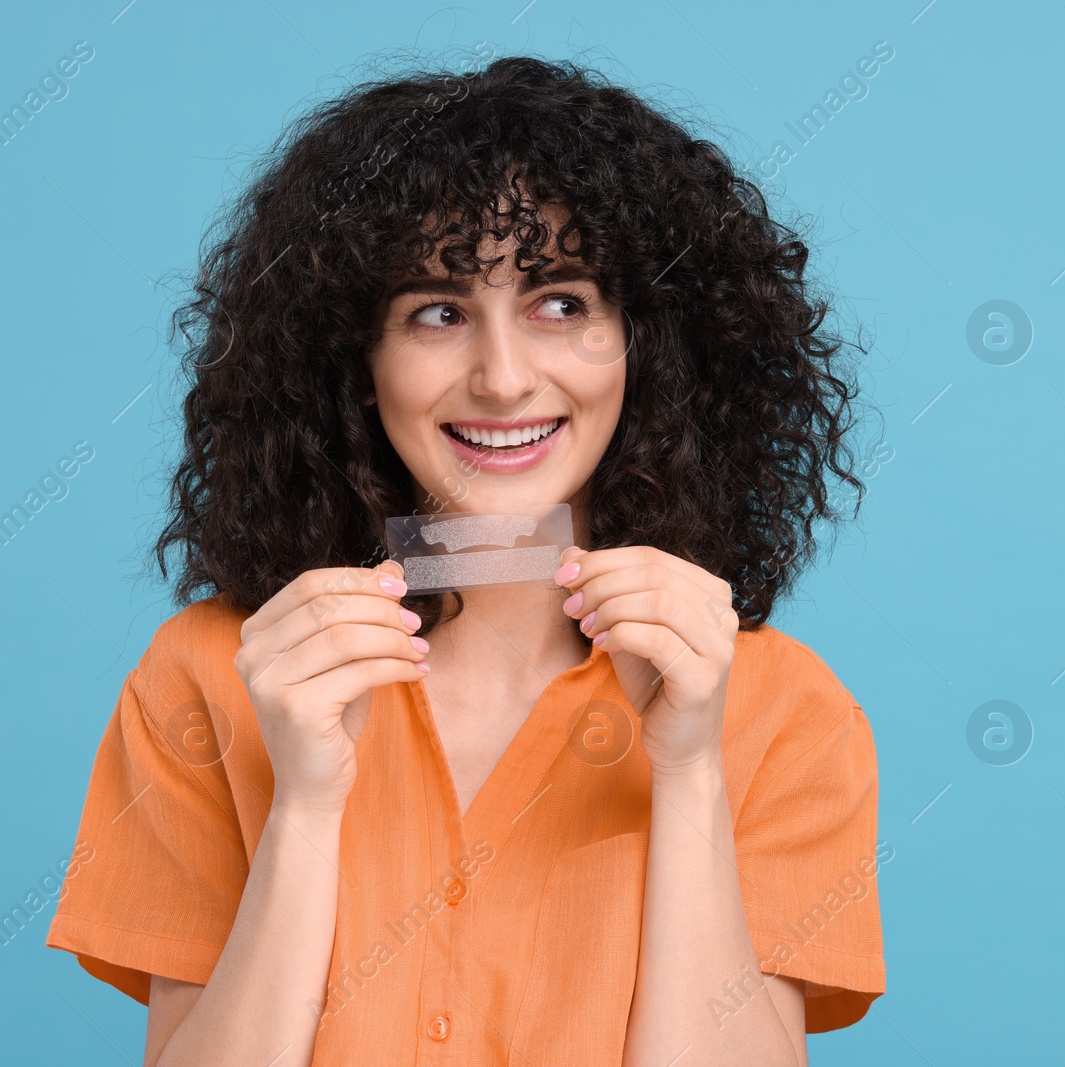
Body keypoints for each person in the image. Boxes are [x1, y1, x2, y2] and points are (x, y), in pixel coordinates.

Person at [46, 52, 886, 1066]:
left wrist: (690, 770)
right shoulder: (212, 677)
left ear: (647, 346)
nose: (501, 377)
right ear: (355, 361)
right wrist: (305, 806)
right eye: (438, 312)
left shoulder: (781, 710)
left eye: (562, 302)